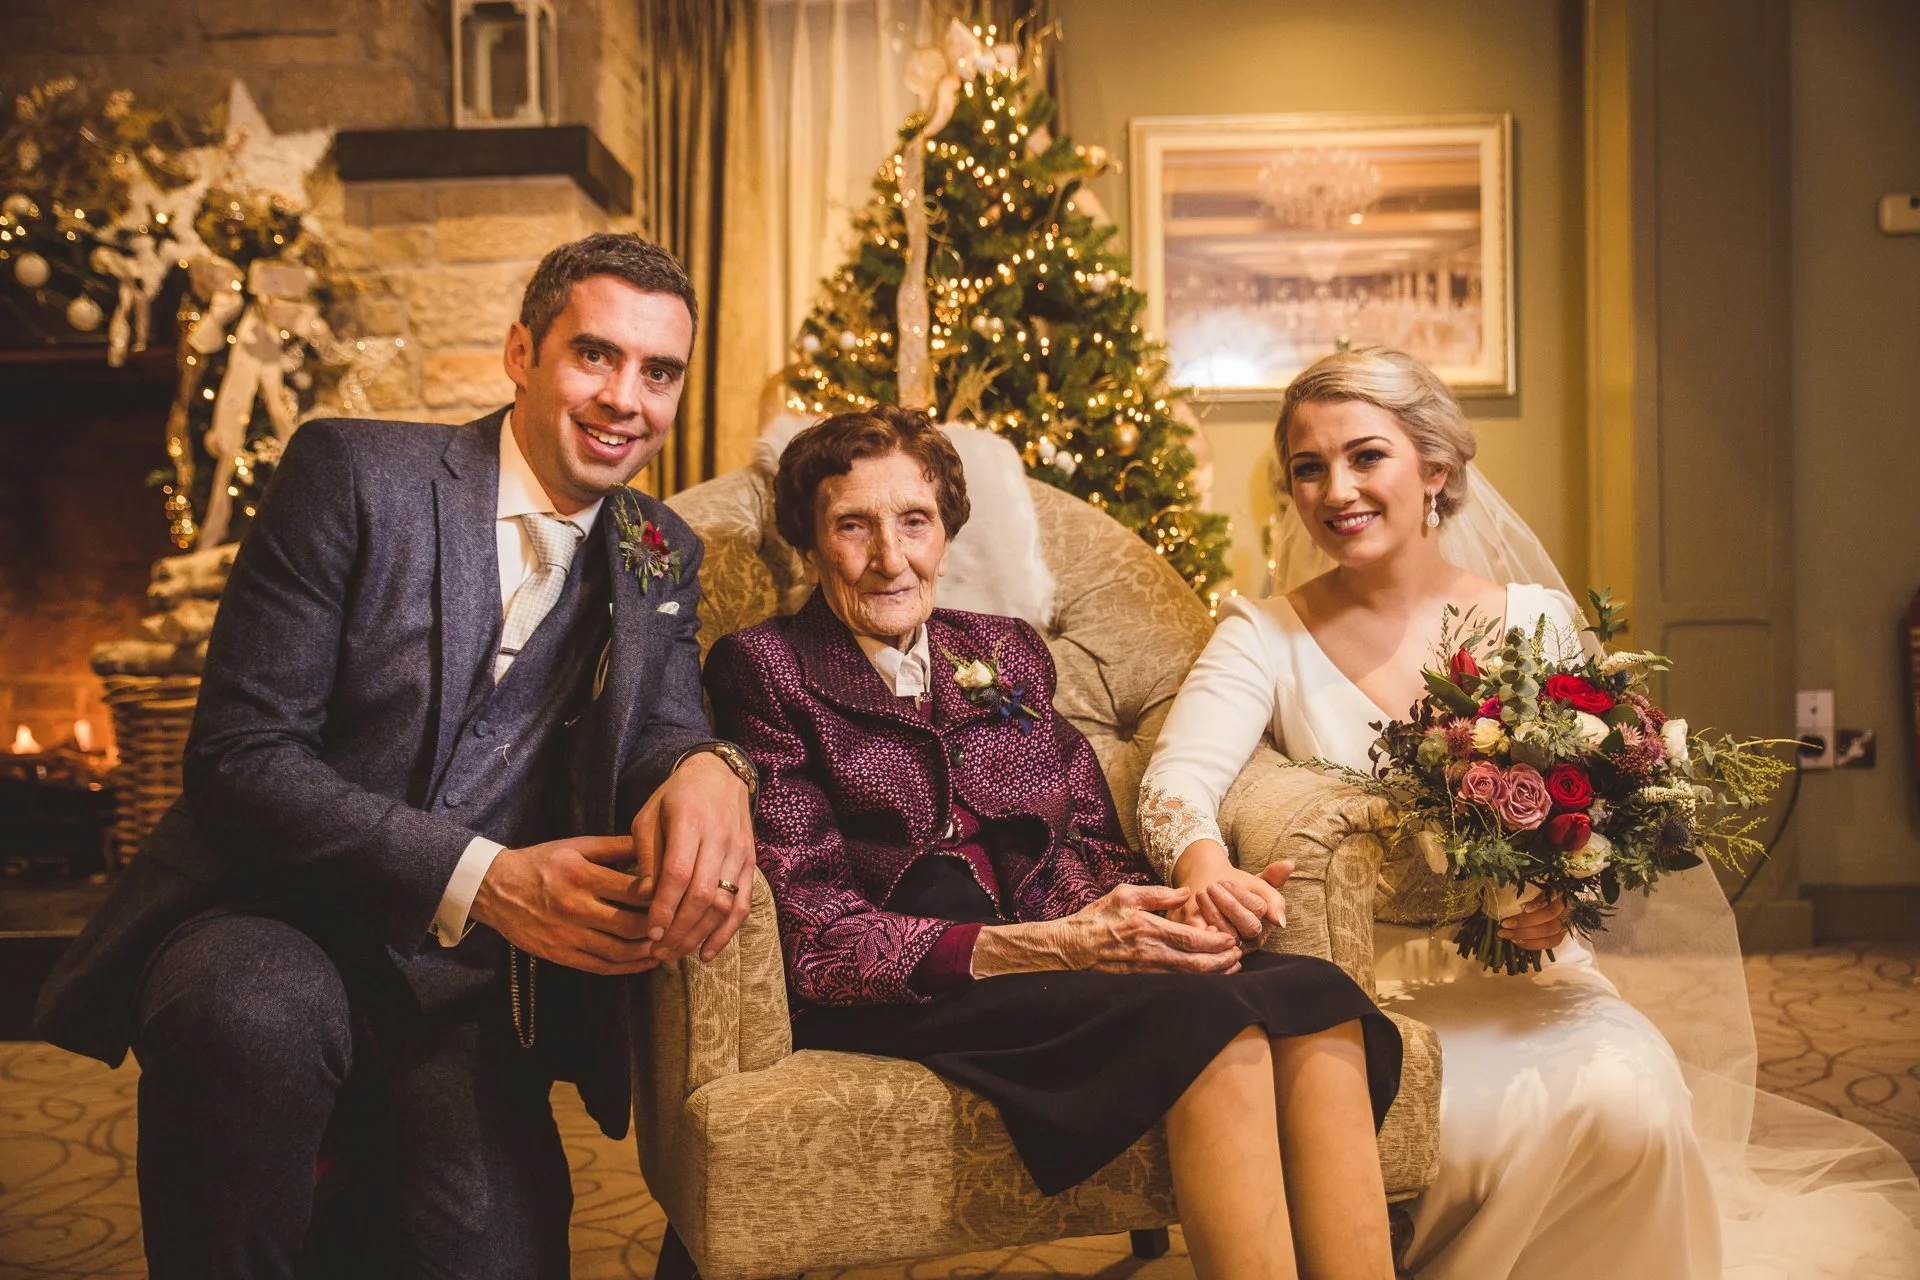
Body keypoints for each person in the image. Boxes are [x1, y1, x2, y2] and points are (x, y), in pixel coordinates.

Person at [34, 233, 759, 1278]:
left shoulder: (660, 548)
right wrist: (486, 877)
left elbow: (664, 723)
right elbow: (240, 755)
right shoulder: (353, 473)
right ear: (521, 353)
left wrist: (712, 768)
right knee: (251, 1021)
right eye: (595, 354)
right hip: (269, 916)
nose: (625, 400)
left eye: (660, 372)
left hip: (455, 986)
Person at [1140, 346, 1920, 1280]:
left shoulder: (1533, 619)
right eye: (1309, 468)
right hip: (1362, 991)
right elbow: (1174, 780)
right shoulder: (1262, 635)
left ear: (1434, 467)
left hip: (1532, 973)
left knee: (1628, 1102)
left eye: (1365, 456)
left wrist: (1563, 893)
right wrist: (1202, 864)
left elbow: (1607, 807)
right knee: (1467, 1126)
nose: (1336, 490)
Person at [702, 405, 1404, 1280]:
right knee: (1208, 1018)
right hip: (917, 978)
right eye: (853, 526)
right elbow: (813, 929)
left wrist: (1172, 913)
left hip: (1053, 950)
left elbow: (1083, 839)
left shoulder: (1002, 650)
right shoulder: (763, 667)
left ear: (946, 532)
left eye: (914, 522)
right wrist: (1058, 946)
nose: (890, 558)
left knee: (1317, 993)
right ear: (809, 545)